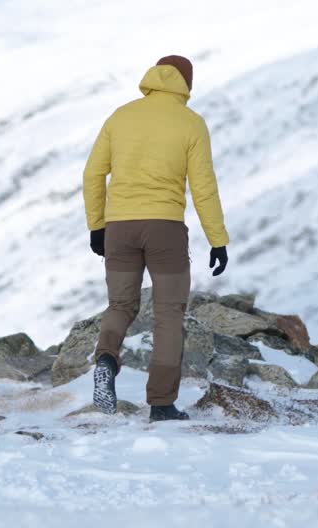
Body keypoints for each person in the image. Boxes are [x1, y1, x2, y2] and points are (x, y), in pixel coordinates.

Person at [82, 55, 230, 422]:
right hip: (165, 229)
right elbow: (203, 188)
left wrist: (97, 226)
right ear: (186, 84)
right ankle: (161, 403)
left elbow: (93, 173)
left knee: (120, 305)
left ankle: (105, 359)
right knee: (168, 314)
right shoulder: (191, 123)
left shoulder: (121, 116)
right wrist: (217, 239)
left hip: (119, 228)